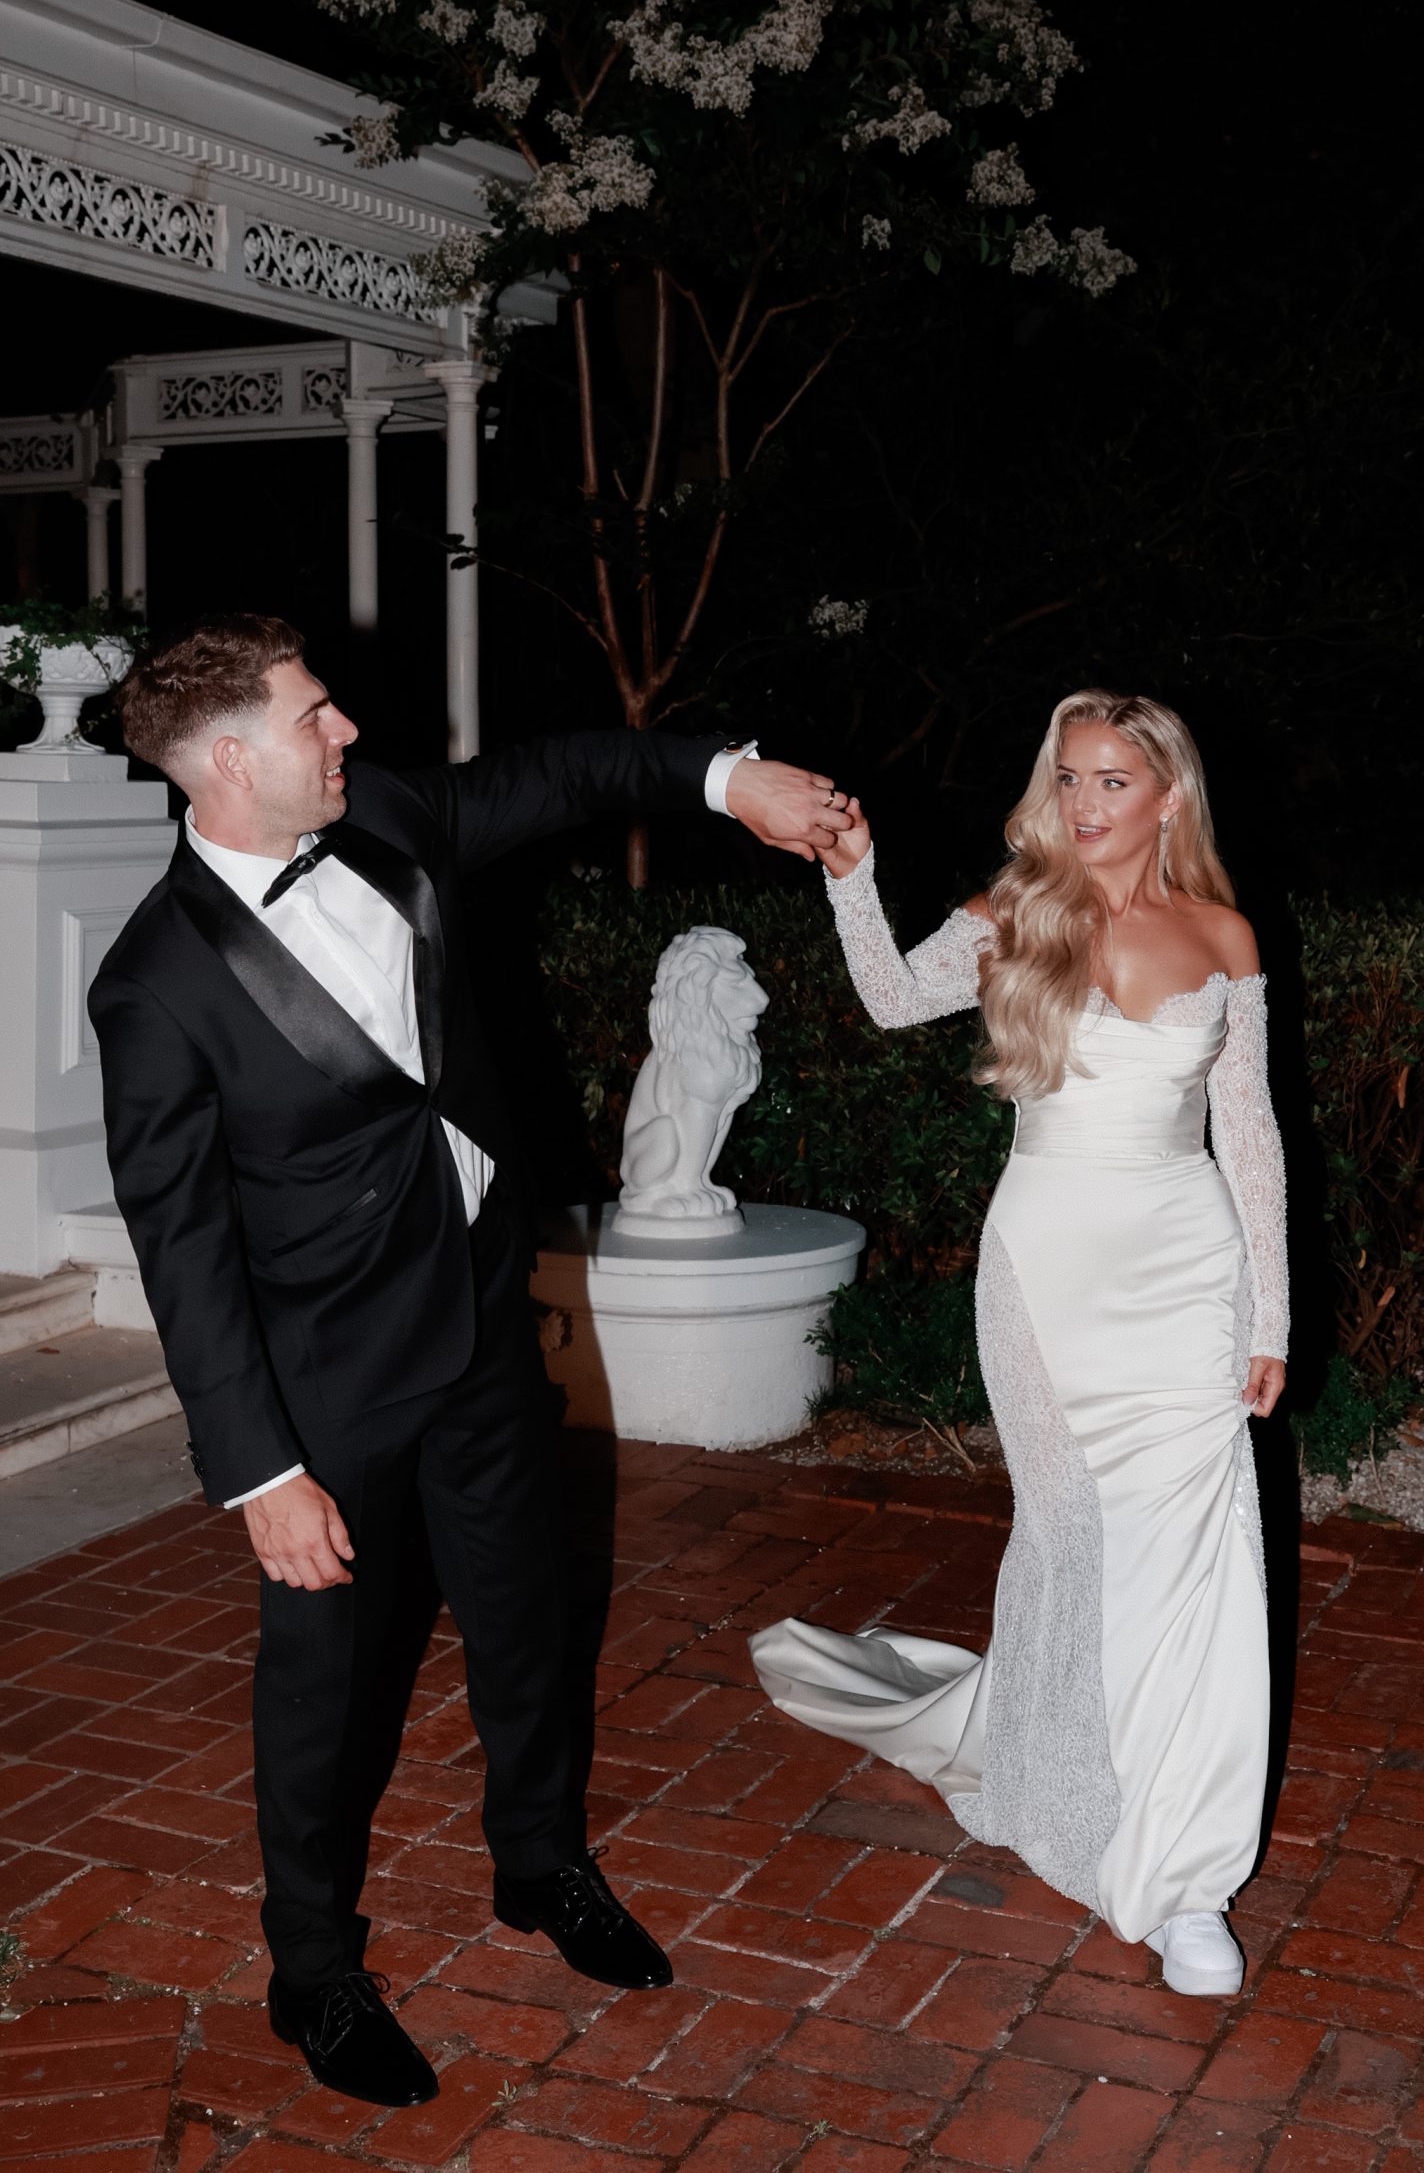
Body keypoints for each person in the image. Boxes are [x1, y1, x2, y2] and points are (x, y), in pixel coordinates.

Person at [91, 612, 855, 2109]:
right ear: (233, 759)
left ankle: (541, 1865)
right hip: (324, 1387)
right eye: (315, 718)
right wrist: (262, 1473)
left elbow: (566, 774)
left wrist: (724, 778)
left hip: (482, 1323)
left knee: (528, 1618)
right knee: (326, 1691)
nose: (348, 734)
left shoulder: (382, 817)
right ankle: (310, 1974)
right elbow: (183, 1254)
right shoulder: (154, 986)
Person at [750, 689, 1287, 1999]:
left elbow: (1252, 1136)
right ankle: (1065, 1789)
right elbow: (883, 1000)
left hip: (1189, 1270)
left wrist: (1269, 1315)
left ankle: (1187, 1883)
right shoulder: (1012, 916)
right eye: (1072, 779)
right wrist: (853, 876)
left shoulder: (1222, 933)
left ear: (1168, 796)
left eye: (1115, 781)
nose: (1089, 804)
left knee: (1199, 1575)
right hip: (1046, 1274)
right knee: (1077, 1551)